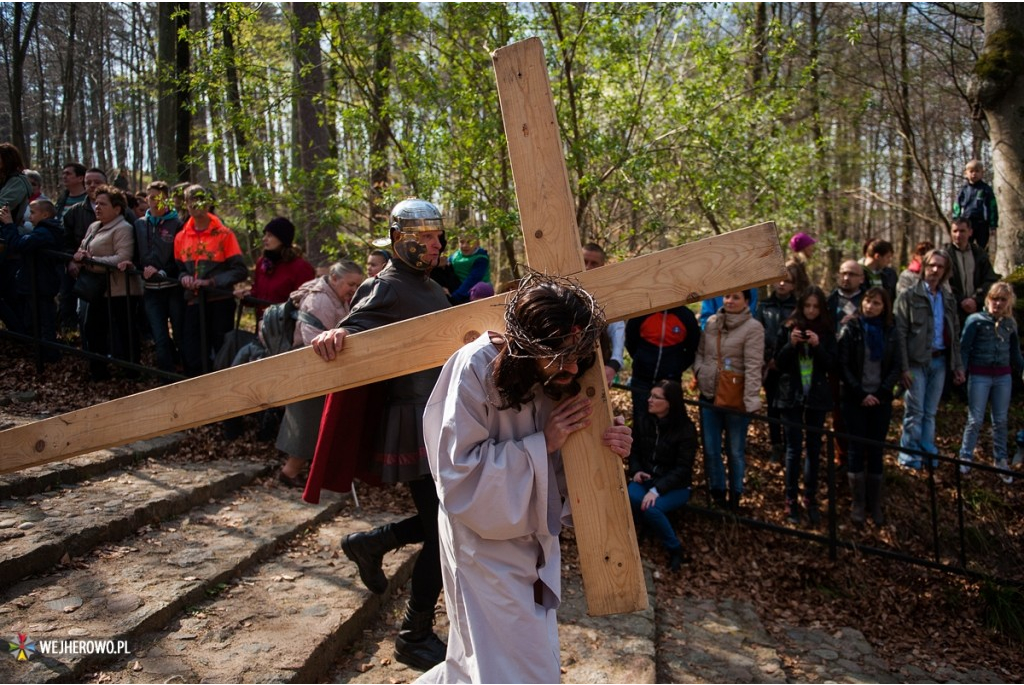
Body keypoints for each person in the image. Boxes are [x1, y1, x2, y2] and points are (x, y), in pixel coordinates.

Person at [417, 274, 632, 684]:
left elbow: (573, 460)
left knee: (491, 663)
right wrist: (543, 444)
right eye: (559, 355)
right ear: (527, 345)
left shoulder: (567, 373)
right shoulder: (474, 367)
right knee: (513, 667)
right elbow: (456, 475)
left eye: (580, 353)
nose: (572, 366)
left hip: (534, 543)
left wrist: (607, 445)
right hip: (482, 545)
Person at [304, 198, 451, 670]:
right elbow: (351, 331)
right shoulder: (383, 285)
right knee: (446, 528)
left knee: (447, 524)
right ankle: (414, 633)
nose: (435, 245)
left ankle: (374, 544)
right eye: (426, 237)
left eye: (437, 237)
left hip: (438, 415)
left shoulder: (429, 286)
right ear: (399, 238)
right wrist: (333, 337)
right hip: (412, 419)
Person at [276, 261, 365, 487]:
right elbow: (312, 339)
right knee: (307, 422)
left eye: (357, 285)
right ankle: (289, 472)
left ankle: (299, 471)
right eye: (350, 284)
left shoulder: (336, 297)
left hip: (323, 363)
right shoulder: (319, 300)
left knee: (315, 422)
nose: (354, 289)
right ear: (334, 279)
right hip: (310, 364)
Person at [693, 289, 764, 510]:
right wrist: (699, 370)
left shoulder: (753, 328)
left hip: (736, 398)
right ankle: (717, 492)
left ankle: (735, 495)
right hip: (709, 393)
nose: (730, 301)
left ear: (746, 301)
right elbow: (701, 352)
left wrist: (752, 400)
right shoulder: (713, 322)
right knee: (711, 448)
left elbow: (753, 366)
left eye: (736, 297)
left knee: (735, 450)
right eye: (727, 296)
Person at [895, 248, 965, 469]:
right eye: (931, 265)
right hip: (916, 362)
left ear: (946, 271)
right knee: (914, 411)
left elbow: (954, 332)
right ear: (924, 266)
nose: (935, 270)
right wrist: (903, 368)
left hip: (940, 360)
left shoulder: (948, 298)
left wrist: (957, 366)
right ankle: (909, 455)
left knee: (930, 412)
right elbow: (900, 334)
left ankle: (926, 451)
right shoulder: (909, 295)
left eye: (940, 266)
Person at [837, 287, 902, 525]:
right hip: (855, 399)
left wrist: (882, 392)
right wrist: (861, 393)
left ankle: (875, 503)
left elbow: (896, 364)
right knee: (855, 448)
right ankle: (858, 503)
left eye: (876, 303)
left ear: (884, 307)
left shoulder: (891, 331)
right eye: (867, 301)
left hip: (881, 399)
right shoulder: (851, 329)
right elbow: (843, 365)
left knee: (876, 450)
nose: (870, 306)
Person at [774, 286, 836, 525]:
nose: (811, 310)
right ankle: (790, 499)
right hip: (791, 396)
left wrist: (818, 346)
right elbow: (778, 362)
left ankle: (809, 498)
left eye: (815, 306)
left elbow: (832, 365)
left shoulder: (828, 331)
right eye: (807, 306)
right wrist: (791, 344)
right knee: (793, 449)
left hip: (817, 397)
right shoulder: (789, 327)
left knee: (813, 449)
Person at [68, 186, 144, 380]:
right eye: (96, 203)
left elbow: (122, 258)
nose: (97, 207)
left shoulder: (124, 228)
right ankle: (98, 371)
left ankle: (131, 371)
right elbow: (83, 247)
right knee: (93, 329)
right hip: (97, 290)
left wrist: (91, 261)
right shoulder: (94, 226)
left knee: (125, 331)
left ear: (117, 209)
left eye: (103, 204)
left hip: (120, 290)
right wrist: (80, 257)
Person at [173, 185, 248, 376]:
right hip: (193, 302)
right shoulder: (181, 236)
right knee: (192, 354)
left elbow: (239, 270)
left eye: (200, 199)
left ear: (208, 203)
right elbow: (179, 269)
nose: (196, 204)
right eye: (191, 200)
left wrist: (212, 282)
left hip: (219, 302)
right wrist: (185, 278)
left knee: (221, 352)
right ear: (186, 204)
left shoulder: (224, 234)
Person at [627, 379, 697, 572]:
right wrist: (636, 471)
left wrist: (657, 491)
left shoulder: (686, 430)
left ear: (670, 403)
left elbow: (683, 468)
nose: (649, 400)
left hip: (675, 486)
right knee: (630, 496)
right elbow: (634, 451)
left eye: (656, 397)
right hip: (646, 479)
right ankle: (637, 536)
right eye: (650, 395)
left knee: (652, 509)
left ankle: (675, 550)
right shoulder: (644, 420)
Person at [957, 282, 1022, 483]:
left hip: (1003, 376)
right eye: (995, 298)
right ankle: (966, 455)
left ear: (1008, 302)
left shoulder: (1010, 323)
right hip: (979, 375)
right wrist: (961, 370)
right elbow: (964, 348)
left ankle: (1000, 459)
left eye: (1002, 300)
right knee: (975, 418)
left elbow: (1015, 353)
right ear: (988, 299)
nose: (998, 303)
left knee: (1000, 420)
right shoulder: (975, 320)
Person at [755, 262, 808, 463]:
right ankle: (776, 444)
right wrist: (768, 360)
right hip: (770, 364)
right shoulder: (764, 306)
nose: (782, 284)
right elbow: (758, 333)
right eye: (779, 280)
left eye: (787, 281)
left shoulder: (798, 307)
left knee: (792, 407)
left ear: (794, 285)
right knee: (773, 406)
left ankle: (791, 445)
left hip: (792, 365)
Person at [0, 199, 63, 359]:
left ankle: (49, 356)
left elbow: (19, 244)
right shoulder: (43, 230)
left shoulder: (45, 232)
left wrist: (8, 224)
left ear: (45, 214)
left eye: (33, 212)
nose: (29, 217)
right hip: (35, 283)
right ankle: (41, 353)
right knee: (33, 320)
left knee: (44, 323)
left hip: (41, 284)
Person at [132, 181, 184, 374]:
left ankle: (186, 372)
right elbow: (135, 255)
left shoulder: (177, 224)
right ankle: (166, 378)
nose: (154, 202)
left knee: (179, 333)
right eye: (151, 197)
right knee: (160, 337)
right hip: (151, 291)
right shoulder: (139, 224)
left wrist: (163, 272)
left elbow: (180, 260)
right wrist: (137, 267)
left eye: (158, 198)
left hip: (173, 288)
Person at [626, 305, 700, 427]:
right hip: (642, 378)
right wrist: (641, 360)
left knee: (668, 423)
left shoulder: (686, 316)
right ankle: (640, 445)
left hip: (670, 381)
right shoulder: (642, 312)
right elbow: (631, 340)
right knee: (641, 420)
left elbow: (692, 347)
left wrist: (677, 367)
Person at [241, 217, 315, 321]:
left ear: (282, 239)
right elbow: (257, 292)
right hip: (262, 326)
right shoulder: (262, 262)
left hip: (286, 329)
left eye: (270, 235)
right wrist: (247, 296)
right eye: (265, 235)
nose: (264, 239)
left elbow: (306, 303)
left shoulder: (300, 267)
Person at [582, 243, 625, 384]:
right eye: (584, 262)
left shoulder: (609, 298)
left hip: (597, 373)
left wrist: (613, 365)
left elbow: (617, 332)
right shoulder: (561, 292)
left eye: (594, 263)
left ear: (602, 266)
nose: (588, 267)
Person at [944, 217, 998, 331]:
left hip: (978, 309)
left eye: (962, 231)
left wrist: (975, 299)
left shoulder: (979, 254)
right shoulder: (945, 256)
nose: (958, 235)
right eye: (955, 231)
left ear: (970, 232)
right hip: (952, 311)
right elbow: (943, 283)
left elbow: (990, 279)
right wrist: (961, 300)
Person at [953, 159, 998, 250]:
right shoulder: (963, 190)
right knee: (965, 246)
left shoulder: (986, 189)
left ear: (982, 173)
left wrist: (993, 224)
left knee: (982, 248)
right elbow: (957, 205)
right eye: (971, 171)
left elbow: (993, 206)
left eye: (977, 171)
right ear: (966, 173)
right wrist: (956, 220)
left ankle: (981, 263)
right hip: (967, 223)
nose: (974, 174)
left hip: (983, 223)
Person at [447, 235, 491, 305]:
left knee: (480, 288)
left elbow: (472, 280)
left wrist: (455, 296)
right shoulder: (455, 256)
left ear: (477, 243)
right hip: (460, 289)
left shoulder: (481, 258)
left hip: (478, 292)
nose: (465, 245)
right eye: (462, 242)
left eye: (469, 242)